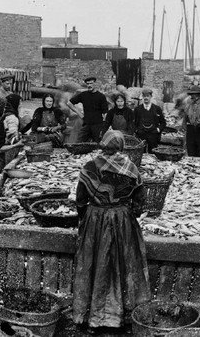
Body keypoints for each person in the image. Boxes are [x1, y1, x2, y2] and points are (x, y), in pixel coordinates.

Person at [73, 130, 150, 333]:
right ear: (121, 146)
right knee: (122, 264)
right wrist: (129, 214)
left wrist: (85, 218)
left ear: (102, 145)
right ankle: (121, 317)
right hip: (122, 219)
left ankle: (93, 317)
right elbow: (140, 200)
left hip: (96, 218)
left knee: (96, 264)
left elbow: (80, 198)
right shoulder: (131, 168)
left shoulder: (90, 166)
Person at [68, 77, 108, 143]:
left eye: (91, 83)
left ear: (95, 84)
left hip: (97, 125)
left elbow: (105, 113)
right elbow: (69, 103)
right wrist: (79, 113)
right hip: (86, 124)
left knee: (98, 146)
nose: (89, 85)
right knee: (78, 144)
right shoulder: (83, 95)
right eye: (87, 84)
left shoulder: (101, 96)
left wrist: (104, 127)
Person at [134, 88, 165, 153]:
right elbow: (133, 123)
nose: (146, 98)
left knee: (153, 154)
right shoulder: (137, 109)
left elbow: (163, 123)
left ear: (151, 97)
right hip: (141, 135)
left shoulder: (157, 109)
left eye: (147, 96)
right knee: (140, 154)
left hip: (153, 135)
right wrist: (137, 130)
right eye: (144, 96)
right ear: (142, 97)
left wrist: (157, 130)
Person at [3, 93, 22, 163]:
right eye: (19, 104)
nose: (20, 106)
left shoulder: (4, 113)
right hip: (7, 149)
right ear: (15, 104)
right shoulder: (12, 118)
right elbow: (12, 138)